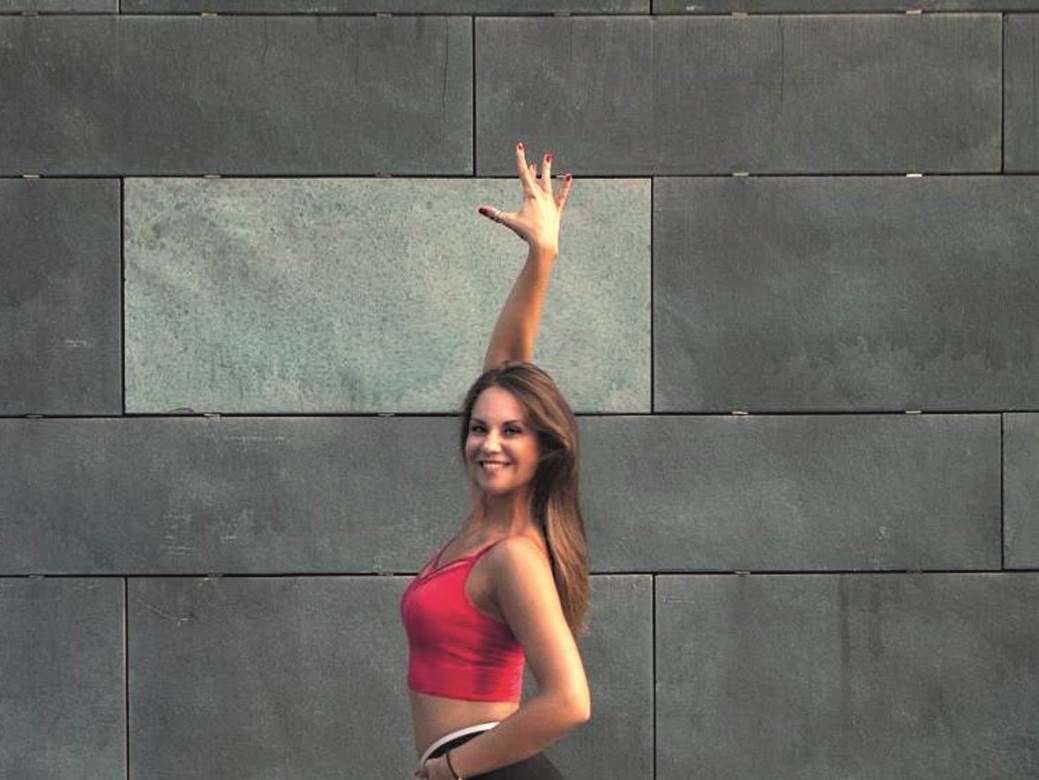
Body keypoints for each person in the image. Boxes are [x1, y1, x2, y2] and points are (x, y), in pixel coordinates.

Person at [402, 142, 590, 779]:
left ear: (543, 448)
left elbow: (570, 701)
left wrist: (451, 771)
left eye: (512, 433)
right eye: (479, 428)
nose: (490, 443)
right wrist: (541, 256)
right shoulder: (482, 529)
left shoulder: (513, 555)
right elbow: (505, 372)